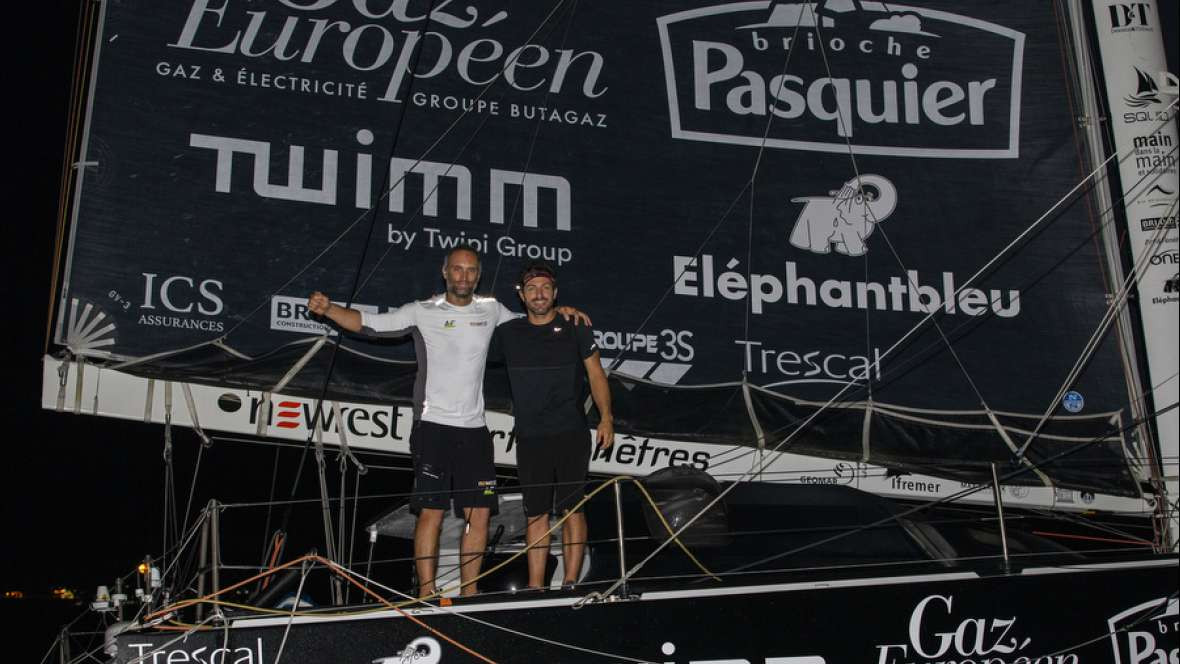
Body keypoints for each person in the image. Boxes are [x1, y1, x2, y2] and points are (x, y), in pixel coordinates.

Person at [307, 247, 587, 598]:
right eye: (457, 269)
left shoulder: (492, 310)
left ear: (478, 275)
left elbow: (534, 320)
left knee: (479, 514)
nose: (463, 276)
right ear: (445, 272)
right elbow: (370, 323)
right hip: (433, 426)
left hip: (475, 431)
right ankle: (427, 593)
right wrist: (329, 309)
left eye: (470, 270)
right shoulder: (422, 310)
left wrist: (563, 312)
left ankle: (469, 593)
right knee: (431, 512)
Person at [493, 261, 614, 589]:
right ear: (522, 296)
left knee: (573, 509)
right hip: (531, 437)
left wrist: (606, 418)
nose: (539, 294)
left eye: (545, 288)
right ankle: (536, 587)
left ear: (555, 293)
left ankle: (571, 582)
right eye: (532, 289)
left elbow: (596, 375)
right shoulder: (507, 333)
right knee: (536, 513)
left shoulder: (575, 327)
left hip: (571, 433)